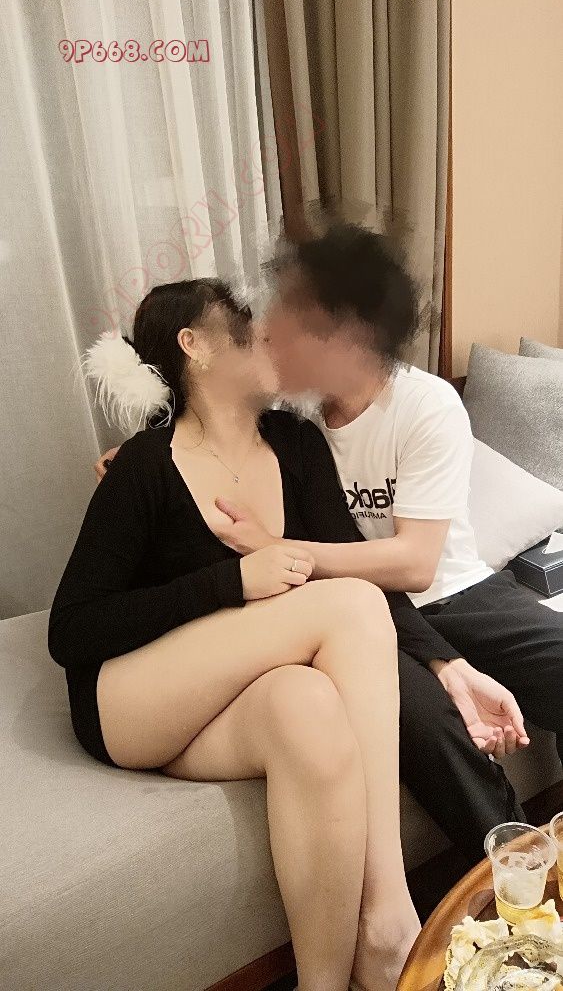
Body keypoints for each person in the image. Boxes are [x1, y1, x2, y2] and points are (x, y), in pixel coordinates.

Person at [50, 276, 470, 991]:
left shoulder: (296, 446)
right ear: (194, 345)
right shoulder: (145, 465)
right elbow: (72, 630)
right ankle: (389, 917)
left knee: (309, 707)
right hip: (130, 702)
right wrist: (230, 583)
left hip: (236, 701)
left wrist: (444, 662)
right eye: (243, 324)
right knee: (346, 604)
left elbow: (359, 569)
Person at [205, 221, 563, 859]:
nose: (271, 337)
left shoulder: (425, 404)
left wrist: (280, 549)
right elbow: (202, 415)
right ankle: (519, 876)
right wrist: (137, 454)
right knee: (433, 730)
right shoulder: (293, 424)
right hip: (364, 617)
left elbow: (417, 563)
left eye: (289, 321)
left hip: (458, 593)